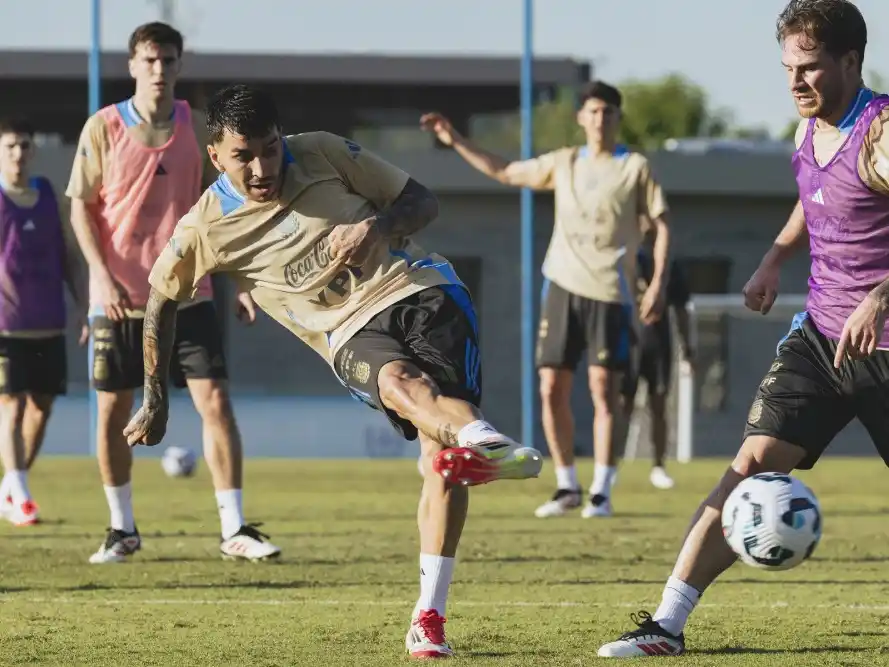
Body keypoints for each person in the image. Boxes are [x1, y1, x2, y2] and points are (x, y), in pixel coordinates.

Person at [124, 83, 543, 659]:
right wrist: (155, 398)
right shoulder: (204, 227)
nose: (263, 168)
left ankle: (430, 612)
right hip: (346, 331)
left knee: (440, 463)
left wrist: (378, 227)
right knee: (401, 386)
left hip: (421, 287)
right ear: (215, 155)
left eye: (271, 149)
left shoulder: (321, 151)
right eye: (244, 156)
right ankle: (485, 441)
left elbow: (423, 202)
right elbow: (159, 301)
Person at [598, 0, 889, 657]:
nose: (795, 81)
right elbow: (816, 199)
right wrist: (774, 257)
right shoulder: (807, 129)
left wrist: (878, 296)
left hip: (885, 342)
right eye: (787, 68)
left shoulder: (879, 134)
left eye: (809, 67)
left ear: (850, 61)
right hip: (822, 337)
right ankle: (665, 625)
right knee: (750, 465)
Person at [66, 22, 279, 564]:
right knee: (113, 411)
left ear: (180, 65)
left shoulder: (198, 128)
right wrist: (101, 276)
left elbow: (223, 210)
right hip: (119, 298)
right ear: (132, 65)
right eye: (149, 59)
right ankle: (122, 528)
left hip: (190, 293)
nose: (158, 69)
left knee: (216, 402)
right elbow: (81, 209)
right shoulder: (103, 127)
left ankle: (234, 528)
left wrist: (241, 279)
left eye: (167, 60)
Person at [420, 81, 671, 519]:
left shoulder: (634, 167)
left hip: (610, 291)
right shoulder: (565, 162)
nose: (600, 119)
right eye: (593, 111)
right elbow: (505, 171)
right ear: (581, 118)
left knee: (604, 391)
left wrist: (657, 284)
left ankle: (602, 490)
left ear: (617, 118)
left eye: (608, 112)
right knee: (551, 387)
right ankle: (567, 485)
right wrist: (455, 139)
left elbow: (663, 224)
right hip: (561, 285)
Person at [0, 118, 87, 526]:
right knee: (12, 405)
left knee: (41, 409)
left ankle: (11, 486)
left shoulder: (49, 196)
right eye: (10, 146)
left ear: (32, 151)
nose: (18, 153)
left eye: (24, 145)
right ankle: (21, 494)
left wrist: (84, 304)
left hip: (49, 323)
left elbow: (69, 256)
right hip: (6, 327)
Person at [620, 250, 694, 490]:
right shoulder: (624, 257)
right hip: (628, 342)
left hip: (659, 344)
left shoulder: (668, 264)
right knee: (622, 405)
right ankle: (610, 466)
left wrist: (688, 348)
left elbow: (681, 308)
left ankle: (659, 466)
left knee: (659, 404)